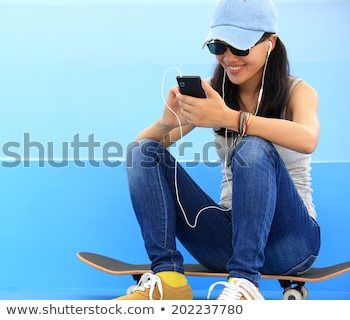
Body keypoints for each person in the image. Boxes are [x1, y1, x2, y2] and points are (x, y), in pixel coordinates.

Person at [115, 0, 321, 300]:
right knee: (143, 152)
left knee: (252, 147)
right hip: (227, 243)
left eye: (239, 48)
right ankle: (169, 280)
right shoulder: (216, 92)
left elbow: (308, 138)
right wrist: (166, 122)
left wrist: (232, 118)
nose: (228, 58)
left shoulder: (297, 91)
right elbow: (138, 150)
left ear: (270, 43)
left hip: (291, 243)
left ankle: (245, 284)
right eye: (219, 47)